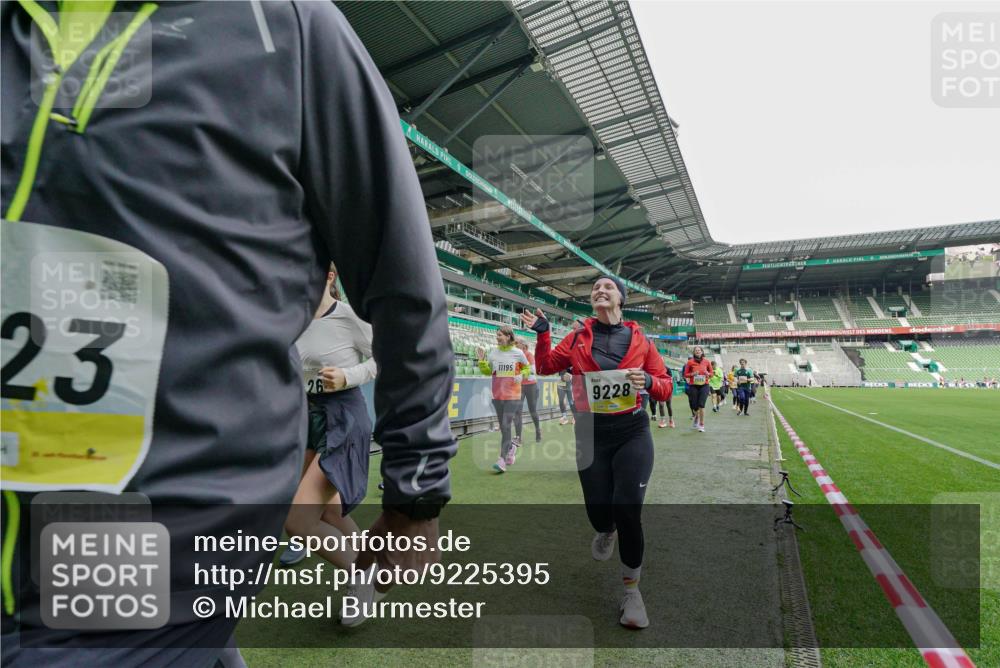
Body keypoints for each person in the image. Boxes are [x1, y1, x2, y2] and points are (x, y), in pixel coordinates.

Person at [1, 3, 455, 665]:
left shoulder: (287, 25)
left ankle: (353, 574)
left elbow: (403, 285)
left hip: (170, 511)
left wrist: (416, 488)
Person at [521, 276, 672, 630]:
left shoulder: (641, 340)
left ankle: (632, 592)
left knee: (628, 509)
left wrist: (648, 382)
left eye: (607, 287)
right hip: (590, 434)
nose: (599, 290)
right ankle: (605, 531)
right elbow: (544, 367)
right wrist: (542, 334)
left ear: (621, 297)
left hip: (633, 431)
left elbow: (665, 385)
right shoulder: (576, 338)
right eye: (594, 289)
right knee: (599, 513)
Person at [477, 326, 530, 473]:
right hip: (498, 395)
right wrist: (481, 361)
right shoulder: (493, 353)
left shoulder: (518, 352)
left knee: (506, 425)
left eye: (500, 335)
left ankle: (501, 460)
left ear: (508, 336)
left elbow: (528, 368)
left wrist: (522, 375)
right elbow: (488, 371)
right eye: (497, 335)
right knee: (503, 428)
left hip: (513, 395)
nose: (497, 337)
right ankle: (511, 447)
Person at [514, 339, 543, 443]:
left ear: (524, 346)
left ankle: (538, 430)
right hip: (519, 387)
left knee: (532, 410)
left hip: (531, 386)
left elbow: (532, 371)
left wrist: (520, 374)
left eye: (517, 344)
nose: (515, 345)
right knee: (517, 412)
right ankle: (518, 437)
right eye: (515, 344)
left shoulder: (529, 355)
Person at [682, 347, 713, 432]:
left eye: (699, 350)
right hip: (694, 386)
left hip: (704, 385)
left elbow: (712, 374)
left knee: (701, 405)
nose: (698, 352)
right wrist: (693, 374)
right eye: (696, 351)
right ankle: (696, 417)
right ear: (694, 353)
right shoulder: (690, 362)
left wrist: (708, 374)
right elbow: (685, 374)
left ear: (702, 352)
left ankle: (701, 424)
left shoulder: (707, 362)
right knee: (694, 406)